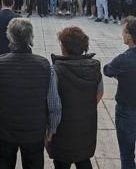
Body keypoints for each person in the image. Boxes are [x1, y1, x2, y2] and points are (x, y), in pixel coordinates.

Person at [0, 18, 61, 169]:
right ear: (31, 37)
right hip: (34, 132)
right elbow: (54, 105)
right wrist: (51, 129)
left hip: (3, 131)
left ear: (10, 37)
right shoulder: (45, 66)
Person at [103, 18, 136, 169]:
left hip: (127, 112)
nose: (122, 34)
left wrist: (120, 74)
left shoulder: (125, 59)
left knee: (127, 154)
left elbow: (107, 70)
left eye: (124, 31)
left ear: (130, 36)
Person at [48, 26, 102, 169]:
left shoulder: (56, 70)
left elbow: (53, 103)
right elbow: (99, 93)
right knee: (83, 160)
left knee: (61, 163)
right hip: (86, 125)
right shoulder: (95, 67)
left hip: (62, 130)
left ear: (65, 47)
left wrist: (50, 131)